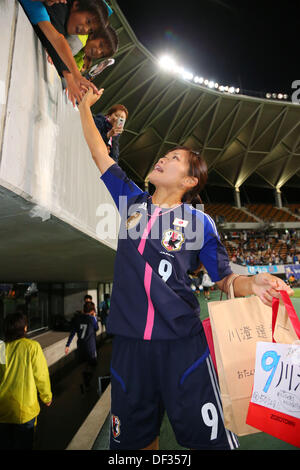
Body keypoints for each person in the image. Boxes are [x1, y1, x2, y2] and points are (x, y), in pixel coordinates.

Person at [78, 87, 294, 451]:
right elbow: (100, 152)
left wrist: (251, 283)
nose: (163, 158)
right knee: (133, 443)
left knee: (208, 442)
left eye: (174, 158)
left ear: (190, 180)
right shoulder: (130, 201)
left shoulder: (199, 222)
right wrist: (84, 105)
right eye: (165, 154)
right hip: (130, 348)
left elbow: (225, 277)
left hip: (182, 346)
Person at [17, 0, 111, 106]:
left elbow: (56, 39)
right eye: (88, 22)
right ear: (76, 5)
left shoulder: (46, 11)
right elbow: (57, 39)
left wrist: (74, 77)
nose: (85, 29)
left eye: (90, 31)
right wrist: (73, 77)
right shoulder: (58, 11)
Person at [0, 313, 52, 450]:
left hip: (2, 410)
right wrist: (46, 397)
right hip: (24, 410)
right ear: (24, 328)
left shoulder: (1, 348)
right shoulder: (32, 347)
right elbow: (41, 375)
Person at [65, 301, 99, 388]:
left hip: (81, 345)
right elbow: (96, 328)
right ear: (92, 311)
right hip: (90, 346)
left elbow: (73, 332)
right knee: (93, 365)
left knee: (84, 364)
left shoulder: (78, 319)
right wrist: (94, 317)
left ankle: (85, 380)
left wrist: (68, 345)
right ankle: (87, 381)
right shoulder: (91, 319)